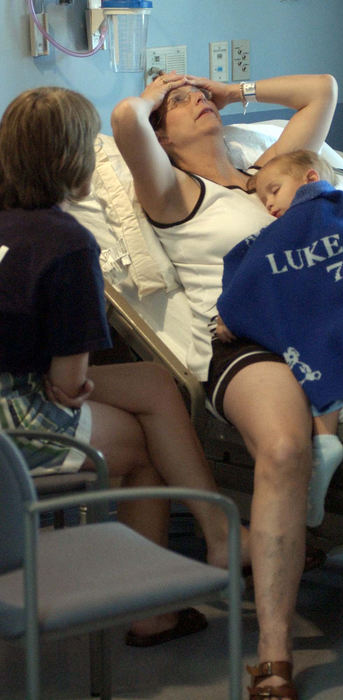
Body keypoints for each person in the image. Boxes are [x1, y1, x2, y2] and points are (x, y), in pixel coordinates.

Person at [111, 70, 338, 699]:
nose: (196, 102)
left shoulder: (268, 175)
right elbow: (128, 122)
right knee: (286, 450)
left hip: (331, 318)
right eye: (181, 105)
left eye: (198, 96)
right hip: (247, 343)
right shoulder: (174, 192)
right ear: (164, 139)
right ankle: (274, 656)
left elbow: (322, 89)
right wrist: (156, 94)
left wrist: (227, 88)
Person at [0, 86, 250, 648]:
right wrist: (75, 383)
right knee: (144, 447)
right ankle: (152, 612)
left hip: (11, 385)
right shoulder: (65, 243)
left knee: (155, 383)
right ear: (75, 162)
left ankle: (218, 538)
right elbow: (67, 384)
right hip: (15, 420)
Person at [216, 150, 343, 528]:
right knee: (325, 340)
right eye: (262, 198)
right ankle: (324, 443)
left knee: (317, 336)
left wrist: (231, 311)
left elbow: (261, 268)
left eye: (274, 190)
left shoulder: (315, 211)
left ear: (310, 180)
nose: (269, 203)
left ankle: (325, 444)